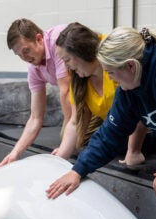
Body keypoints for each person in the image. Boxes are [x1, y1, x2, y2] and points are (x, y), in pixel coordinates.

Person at [46, 26, 156, 199]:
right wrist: (77, 171)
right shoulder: (128, 92)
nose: (109, 78)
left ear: (130, 66)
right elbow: (109, 134)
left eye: (110, 72)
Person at [51, 22, 147, 166]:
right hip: (118, 128)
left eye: (67, 60)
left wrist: (133, 151)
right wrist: (60, 158)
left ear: (82, 52)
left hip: (145, 129)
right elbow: (75, 121)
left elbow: (139, 108)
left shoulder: (117, 68)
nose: (66, 66)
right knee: (87, 143)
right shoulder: (80, 78)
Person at [0, 19, 71, 167]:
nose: (25, 58)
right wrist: (14, 153)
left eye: (26, 51)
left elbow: (66, 92)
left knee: (74, 137)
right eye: (20, 55)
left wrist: (66, 145)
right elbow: (36, 117)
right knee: (70, 135)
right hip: (82, 95)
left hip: (102, 82)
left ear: (38, 38)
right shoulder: (34, 68)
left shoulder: (58, 41)